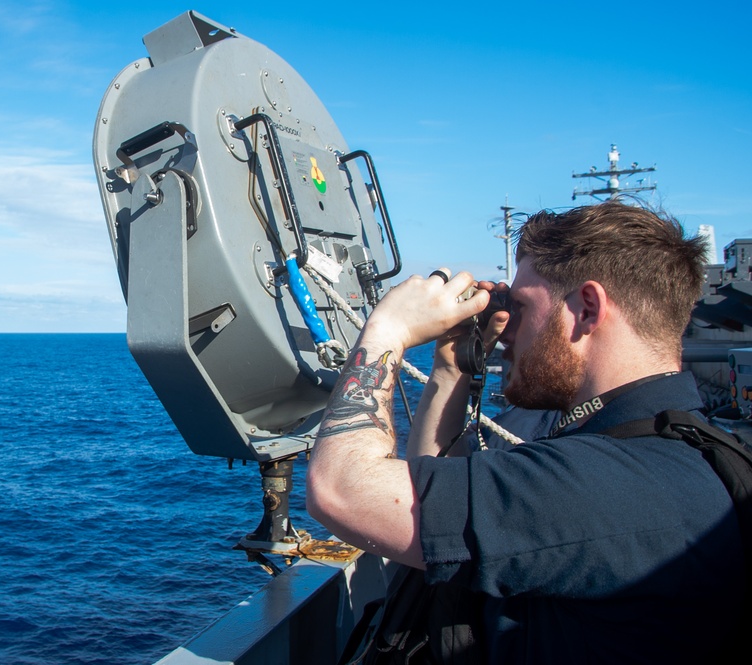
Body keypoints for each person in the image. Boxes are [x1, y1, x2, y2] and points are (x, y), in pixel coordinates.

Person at [305, 200, 743, 664]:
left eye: (521, 306)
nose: (509, 329)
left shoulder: (604, 485)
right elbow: (434, 504)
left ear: (587, 309)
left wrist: (386, 330)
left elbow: (340, 490)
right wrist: (453, 369)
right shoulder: (668, 454)